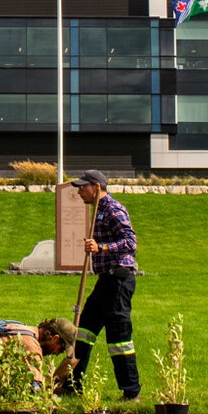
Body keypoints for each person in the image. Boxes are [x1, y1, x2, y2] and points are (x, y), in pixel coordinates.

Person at [66, 169, 140, 399]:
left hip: (118, 280)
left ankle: (131, 393)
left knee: (119, 337)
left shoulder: (114, 209)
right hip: (104, 281)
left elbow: (130, 241)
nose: (79, 191)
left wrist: (102, 247)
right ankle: (72, 386)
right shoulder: (97, 210)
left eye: (83, 187)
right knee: (84, 330)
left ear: (97, 187)